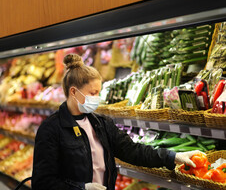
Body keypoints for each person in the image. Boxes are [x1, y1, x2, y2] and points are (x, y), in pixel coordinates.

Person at [32, 54, 199, 190]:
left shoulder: (101, 124)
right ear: (74, 92)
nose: (97, 98)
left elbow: (133, 151)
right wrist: (82, 188)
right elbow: (42, 183)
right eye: (93, 93)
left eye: (99, 93)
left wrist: (173, 156)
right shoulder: (51, 129)